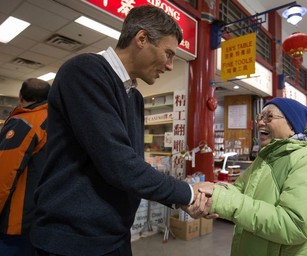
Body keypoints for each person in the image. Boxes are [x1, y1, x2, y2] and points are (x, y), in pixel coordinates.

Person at [30, 5, 210, 256]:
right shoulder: (85, 72)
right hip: (73, 239)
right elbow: (119, 164)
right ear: (142, 39)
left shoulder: (133, 96)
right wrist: (187, 192)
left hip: (113, 234)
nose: (170, 66)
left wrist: (180, 196)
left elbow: (131, 163)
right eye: (168, 54)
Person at [201, 97, 307, 256]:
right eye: (260, 117)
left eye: (269, 117)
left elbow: (293, 225)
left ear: (292, 126)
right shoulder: (264, 159)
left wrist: (223, 200)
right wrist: (212, 194)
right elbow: (239, 191)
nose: (260, 123)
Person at [0, 78, 51, 256]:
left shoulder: (24, 122)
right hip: (44, 217)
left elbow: (4, 174)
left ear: (21, 97)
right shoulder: (58, 122)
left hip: (16, 223)